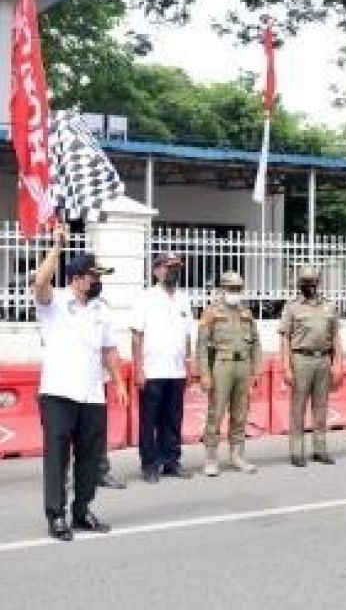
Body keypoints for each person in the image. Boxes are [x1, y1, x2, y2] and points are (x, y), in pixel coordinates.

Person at [33, 224, 127, 541]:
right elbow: (40, 280)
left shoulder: (101, 309)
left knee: (89, 458)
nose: (99, 281)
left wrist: (119, 383)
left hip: (92, 394)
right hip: (58, 392)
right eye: (94, 276)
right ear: (76, 278)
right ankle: (56, 515)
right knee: (57, 457)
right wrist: (58, 246)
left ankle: (82, 510)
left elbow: (109, 350)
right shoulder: (55, 303)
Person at [131, 252, 195, 483]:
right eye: (169, 267)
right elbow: (137, 335)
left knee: (173, 419)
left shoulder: (184, 298)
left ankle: (171, 461)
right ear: (157, 270)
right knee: (150, 420)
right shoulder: (145, 298)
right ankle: (150, 464)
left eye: (177, 267)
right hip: (152, 370)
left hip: (176, 371)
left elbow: (188, 335)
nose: (173, 271)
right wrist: (138, 368)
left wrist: (189, 364)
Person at [196, 271, 262, 477]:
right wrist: (204, 374)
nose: (235, 293)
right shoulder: (211, 312)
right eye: (231, 289)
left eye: (238, 289)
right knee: (216, 412)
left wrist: (256, 370)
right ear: (222, 290)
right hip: (221, 365)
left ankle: (237, 455)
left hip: (242, 365)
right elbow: (202, 346)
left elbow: (256, 343)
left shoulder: (246, 313)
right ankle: (211, 458)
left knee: (240, 413)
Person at [279, 266, 343, 467]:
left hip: (324, 360)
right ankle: (297, 452)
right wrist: (286, 367)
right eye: (305, 282)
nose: (309, 285)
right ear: (299, 284)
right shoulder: (292, 307)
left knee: (321, 407)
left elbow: (335, 337)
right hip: (301, 360)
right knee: (298, 408)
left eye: (312, 281)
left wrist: (338, 364)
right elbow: (284, 338)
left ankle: (320, 449)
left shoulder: (329, 306)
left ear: (318, 283)